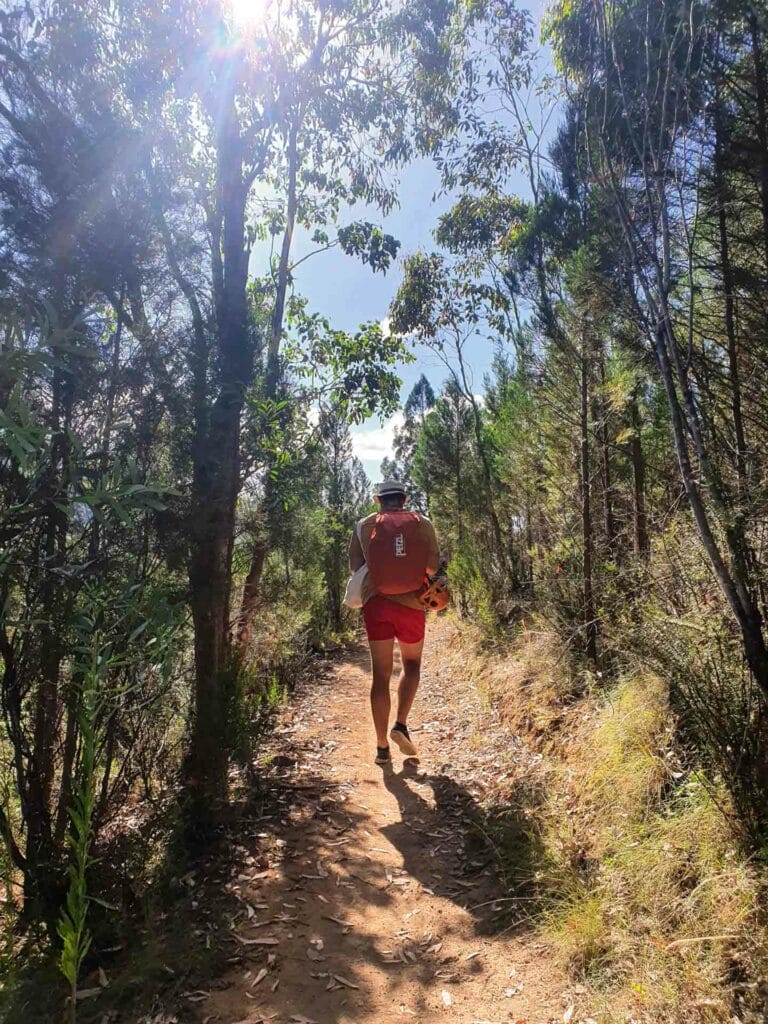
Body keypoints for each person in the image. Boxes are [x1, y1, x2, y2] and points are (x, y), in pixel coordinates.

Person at [348, 480, 440, 766]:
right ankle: (400, 724)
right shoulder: (422, 523)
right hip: (412, 604)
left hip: (377, 605)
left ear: (378, 500)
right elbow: (434, 567)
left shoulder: (364, 525)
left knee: (380, 675)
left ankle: (381, 748)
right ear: (404, 498)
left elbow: (354, 568)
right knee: (411, 665)